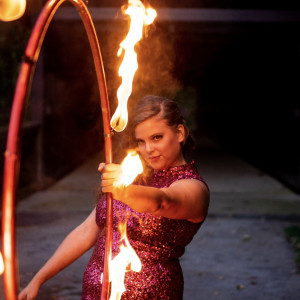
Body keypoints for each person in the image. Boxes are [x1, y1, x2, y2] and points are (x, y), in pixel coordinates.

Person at [18, 95, 209, 300]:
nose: (148, 149)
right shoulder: (135, 177)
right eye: (141, 141)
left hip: (150, 294)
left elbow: (161, 201)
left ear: (180, 133)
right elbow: (85, 232)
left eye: (157, 137)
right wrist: (39, 278)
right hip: (96, 292)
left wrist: (121, 189)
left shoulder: (194, 187)